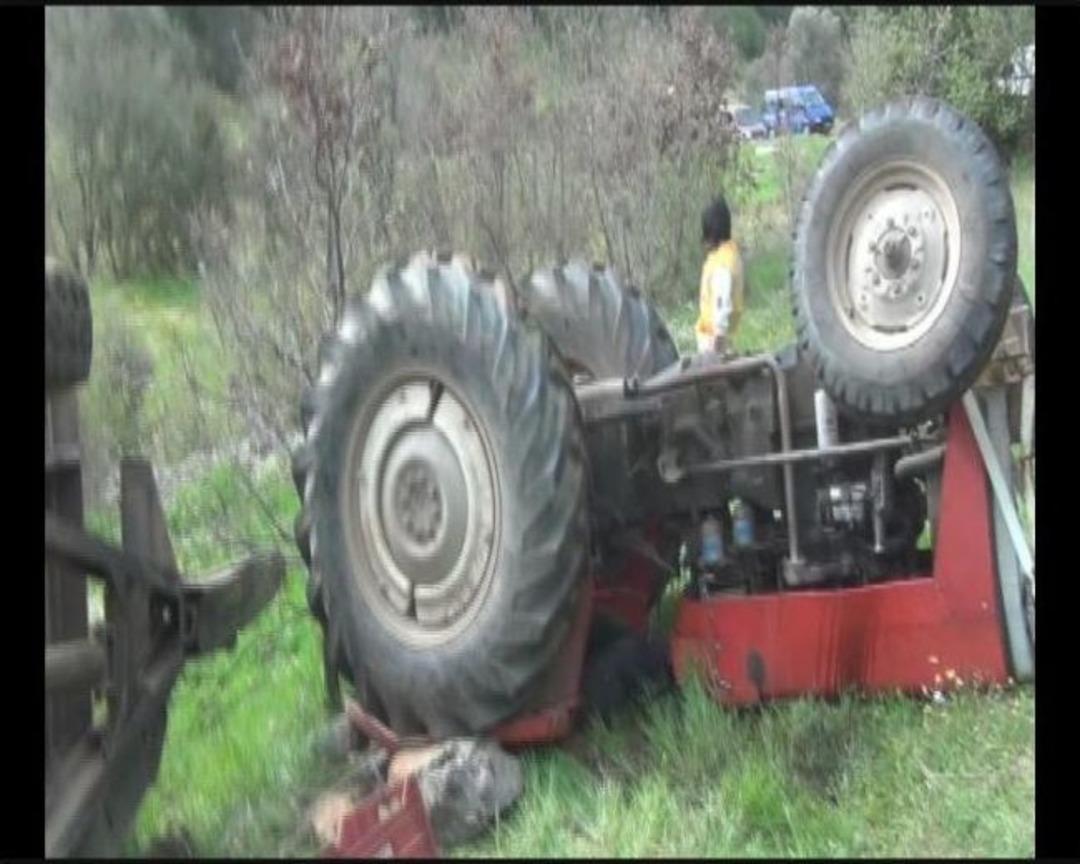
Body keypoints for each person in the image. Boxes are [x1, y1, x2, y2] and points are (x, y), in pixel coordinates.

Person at [694, 195, 745, 355]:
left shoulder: (722, 263)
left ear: (711, 233)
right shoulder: (732, 256)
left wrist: (718, 336)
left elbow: (722, 301)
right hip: (723, 339)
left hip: (713, 342)